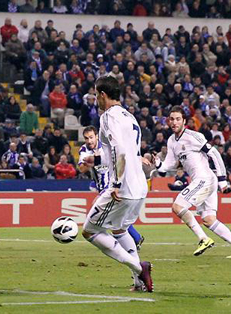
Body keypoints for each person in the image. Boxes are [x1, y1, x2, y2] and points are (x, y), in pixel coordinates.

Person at [81, 76, 153, 293]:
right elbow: (126, 152)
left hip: (123, 187)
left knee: (89, 231)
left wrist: (116, 183)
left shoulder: (108, 117)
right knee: (120, 230)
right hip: (140, 186)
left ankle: (139, 268)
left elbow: (119, 150)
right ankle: (140, 282)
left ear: (103, 95)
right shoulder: (129, 116)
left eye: (96, 94)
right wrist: (99, 160)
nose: (95, 99)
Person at [153, 106, 231, 259]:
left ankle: (203, 239)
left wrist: (223, 181)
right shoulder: (172, 141)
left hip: (204, 179)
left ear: (184, 121)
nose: (174, 122)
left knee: (177, 206)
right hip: (203, 181)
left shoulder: (193, 136)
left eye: (178, 119)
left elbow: (215, 154)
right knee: (208, 219)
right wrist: (158, 163)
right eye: (172, 119)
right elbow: (169, 165)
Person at [79, 125, 145, 251]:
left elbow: (122, 155)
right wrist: (93, 161)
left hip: (112, 186)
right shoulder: (84, 150)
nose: (89, 141)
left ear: (97, 136)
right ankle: (135, 239)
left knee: (105, 216)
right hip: (101, 187)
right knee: (116, 218)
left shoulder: (106, 146)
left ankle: (122, 244)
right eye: (86, 138)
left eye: (91, 137)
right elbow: (82, 168)